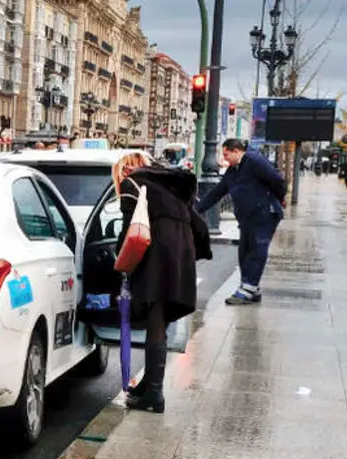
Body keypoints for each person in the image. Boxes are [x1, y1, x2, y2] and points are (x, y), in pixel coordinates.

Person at [114, 151, 212, 413]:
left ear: (125, 170)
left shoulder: (131, 183)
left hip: (156, 257)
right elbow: (199, 225)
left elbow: (128, 229)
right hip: (180, 256)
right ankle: (149, 384)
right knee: (161, 321)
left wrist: (119, 260)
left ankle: (155, 396)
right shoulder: (171, 183)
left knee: (156, 321)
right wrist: (196, 254)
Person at [194, 138, 286, 305]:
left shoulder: (254, 161)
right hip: (248, 216)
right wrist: (195, 211)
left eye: (226, 154)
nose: (224, 158)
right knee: (245, 250)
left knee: (257, 249)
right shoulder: (233, 171)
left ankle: (248, 287)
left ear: (236, 151)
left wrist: (278, 200)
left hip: (264, 212)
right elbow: (217, 193)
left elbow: (277, 180)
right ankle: (252, 287)